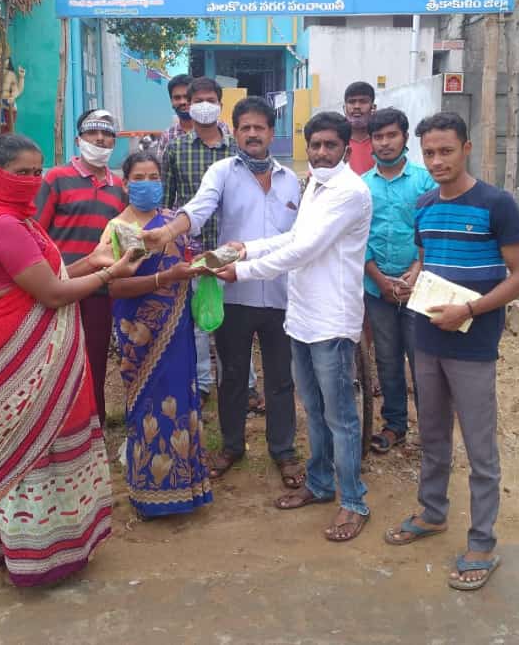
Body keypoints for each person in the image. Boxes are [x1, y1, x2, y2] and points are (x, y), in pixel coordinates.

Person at [0, 133, 141, 587]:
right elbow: (52, 294)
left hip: (34, 344)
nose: (32, 181)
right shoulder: (3, 225)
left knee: (54, 443)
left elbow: (51, 275)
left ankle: (62, 546)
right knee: (29, 451)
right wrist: (111, 273)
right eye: (21, 173)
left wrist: (94, 261)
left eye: (37, 172)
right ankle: (35, 557)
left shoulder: (20, 220)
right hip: (16, 347)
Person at [382, 112, 519, 592]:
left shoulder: (496, 204)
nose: (437, 160)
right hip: (425, 336)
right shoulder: (424, 205)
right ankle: (432, 513)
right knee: (431, 436)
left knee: (480, 446)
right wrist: (411, 279)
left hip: (473, 343)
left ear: (467, 148)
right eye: (429, 153)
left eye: (446, 151)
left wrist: (469, 307)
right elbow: (429, 258)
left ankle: (483, 542)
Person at [216, 112, 373, 543]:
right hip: (301, 317)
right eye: (315, 144)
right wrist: (246, 247)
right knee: (316, 412)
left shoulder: (349, 192)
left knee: (340, 416)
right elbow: (291, 236)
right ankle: (321, 484)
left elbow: (304, 249)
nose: (321, 152)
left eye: (330, 145)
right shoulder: (316, 186)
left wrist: (243, 272)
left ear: (345, 147)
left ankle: (354, 501)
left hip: (332, 321)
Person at [145, 96, 303, 487]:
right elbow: (199, 208)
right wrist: (168, 231)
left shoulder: (291, 181)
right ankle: (232, 446)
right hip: (233, 293)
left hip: (282, 297)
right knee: (232, 375)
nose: (253, 133)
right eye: (246, 127)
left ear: (270, 132)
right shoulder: (222, 172)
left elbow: (302, 237)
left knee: (281, 378)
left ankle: (283, 451)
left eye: (260, 127)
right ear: (237, 131)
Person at [103, 150, 213, 519]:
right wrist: (163, 278)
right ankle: (150, 494)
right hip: (138, 333)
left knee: (182, 399)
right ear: (125, 183)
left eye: (154, 177)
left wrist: (206, 265)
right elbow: (115, 288)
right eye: (140, 178)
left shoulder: (171, 222)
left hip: (177, 327)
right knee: (147, 406)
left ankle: (188, 488)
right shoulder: (117, 229)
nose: (148, 184)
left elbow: (186, 262)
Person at [161, 77, 251, 409]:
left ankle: (246, 382)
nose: (202, 104)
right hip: (193, 249)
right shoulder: (175, 148)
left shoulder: (236, 148)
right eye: (196, 99)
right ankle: (201, 382)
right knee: (200, 319)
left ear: (220, 102)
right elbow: (169, 203)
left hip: (232, 247)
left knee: (238, 317)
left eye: (209, 99)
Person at [35, 109, 126, 425]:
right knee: (58, 357)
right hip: (60, 285)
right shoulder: (56, 179)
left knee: (96, 358)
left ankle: (93, 421)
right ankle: (59, 423)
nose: (100, 139)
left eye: (107, 134)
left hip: (100, 290)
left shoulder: (120, 187)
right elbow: (36, 231)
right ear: (79, 139)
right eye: (92, 133)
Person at [362, 108, 435, 454]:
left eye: (392, 135)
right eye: (378, 137)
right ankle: (394, 425)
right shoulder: (362, 186)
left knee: (423, 360)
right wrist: (379, 278)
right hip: (377, 289)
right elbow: (357, 241)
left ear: (405, 137)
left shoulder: (425, 182)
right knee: (388, 359)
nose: (385, 143)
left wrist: (417, 270)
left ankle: (432, 433)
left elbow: (434, 233)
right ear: (371, 141)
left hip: (419, 288)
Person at [155, 73, 231, 161]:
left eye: (186, 97)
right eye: (177, 98)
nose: (183, 102)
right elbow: (161, 169)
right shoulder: (168, 135)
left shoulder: (222, 129)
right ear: (171, 101)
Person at [343, 81, 378, 175]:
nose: (357, 107)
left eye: (363, 101)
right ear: (344, 108)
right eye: (351, 102)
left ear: (373, 107)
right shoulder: (336, 142)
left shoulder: (382, 141)